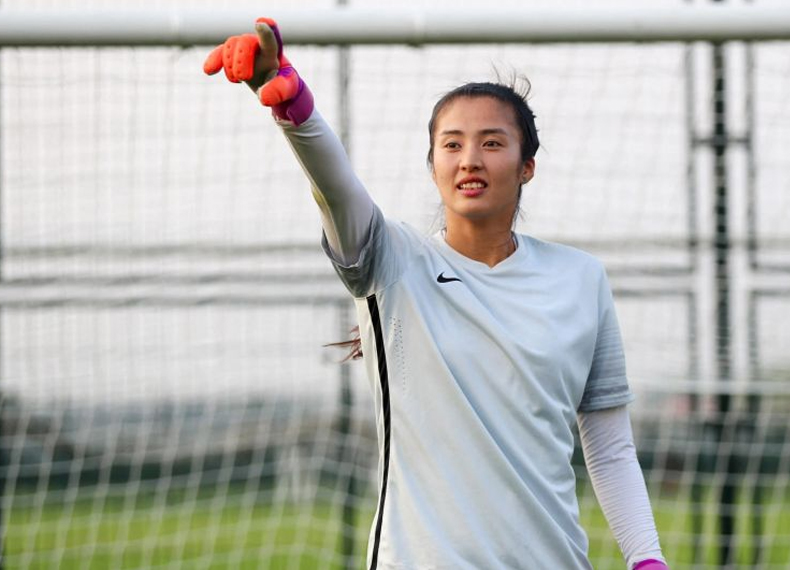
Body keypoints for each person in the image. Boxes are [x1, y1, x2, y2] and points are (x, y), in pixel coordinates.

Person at [205, 18, 669, 570]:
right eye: (452, 144)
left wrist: (647, 558)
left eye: (491, 142)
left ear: (527, 167)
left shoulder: (581, 278)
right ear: (434, 167)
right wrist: (293, 108)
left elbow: (610, 448)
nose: (470, 158)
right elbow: (336, 188)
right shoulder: (392, 260)